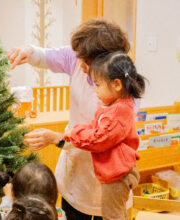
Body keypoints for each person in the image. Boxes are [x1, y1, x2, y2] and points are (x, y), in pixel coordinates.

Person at [7, 18, 133, 219]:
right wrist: (27, 51)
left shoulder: (123, 92)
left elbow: (101, 139)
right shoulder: (78, 57)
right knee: (72, 210)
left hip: (110, 177)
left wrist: (57, 138)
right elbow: (44, 56)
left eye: (86, 61)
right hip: (75, 168)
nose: (79, 64)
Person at [64, 52, 145, 220]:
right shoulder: (111, 106)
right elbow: (95, 127)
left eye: (98, 84)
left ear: (116, 84)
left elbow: (98, 139)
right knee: (116, 213)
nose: (95, 90)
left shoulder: (120, 112)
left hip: (118, 175)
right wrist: (75, 132)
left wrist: (74, 134)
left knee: (111, 216)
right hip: (115, 171)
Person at [0, 162, 66, 220]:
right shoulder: (60, 215)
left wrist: (7, 199)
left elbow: (2, 213)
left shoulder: (5, 214)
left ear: (14, 194)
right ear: (54, 194)